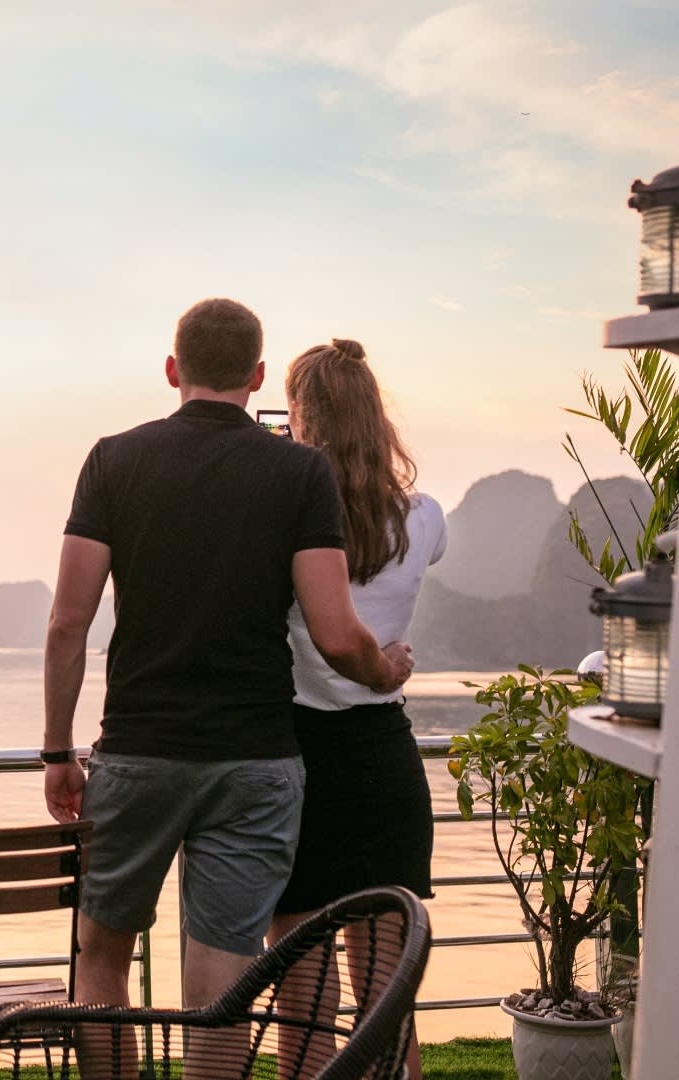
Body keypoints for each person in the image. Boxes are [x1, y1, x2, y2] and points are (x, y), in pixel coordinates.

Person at [41, 299, 414, 1075]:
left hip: (137, 752)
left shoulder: (112, 460)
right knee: (220, 980)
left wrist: (55, 752)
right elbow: (337, 633)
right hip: (254, 762)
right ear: (255, 376)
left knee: (100, 956)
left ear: (172, 369)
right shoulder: (299, 472)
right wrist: (387, 672)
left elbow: (67, 624)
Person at [268, 338, 447, 1080]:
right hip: (384, 758)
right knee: (386, 1000)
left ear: (300, 416)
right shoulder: (424, 517)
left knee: (304, 1000)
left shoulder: (282, 516)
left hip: (297, 755)